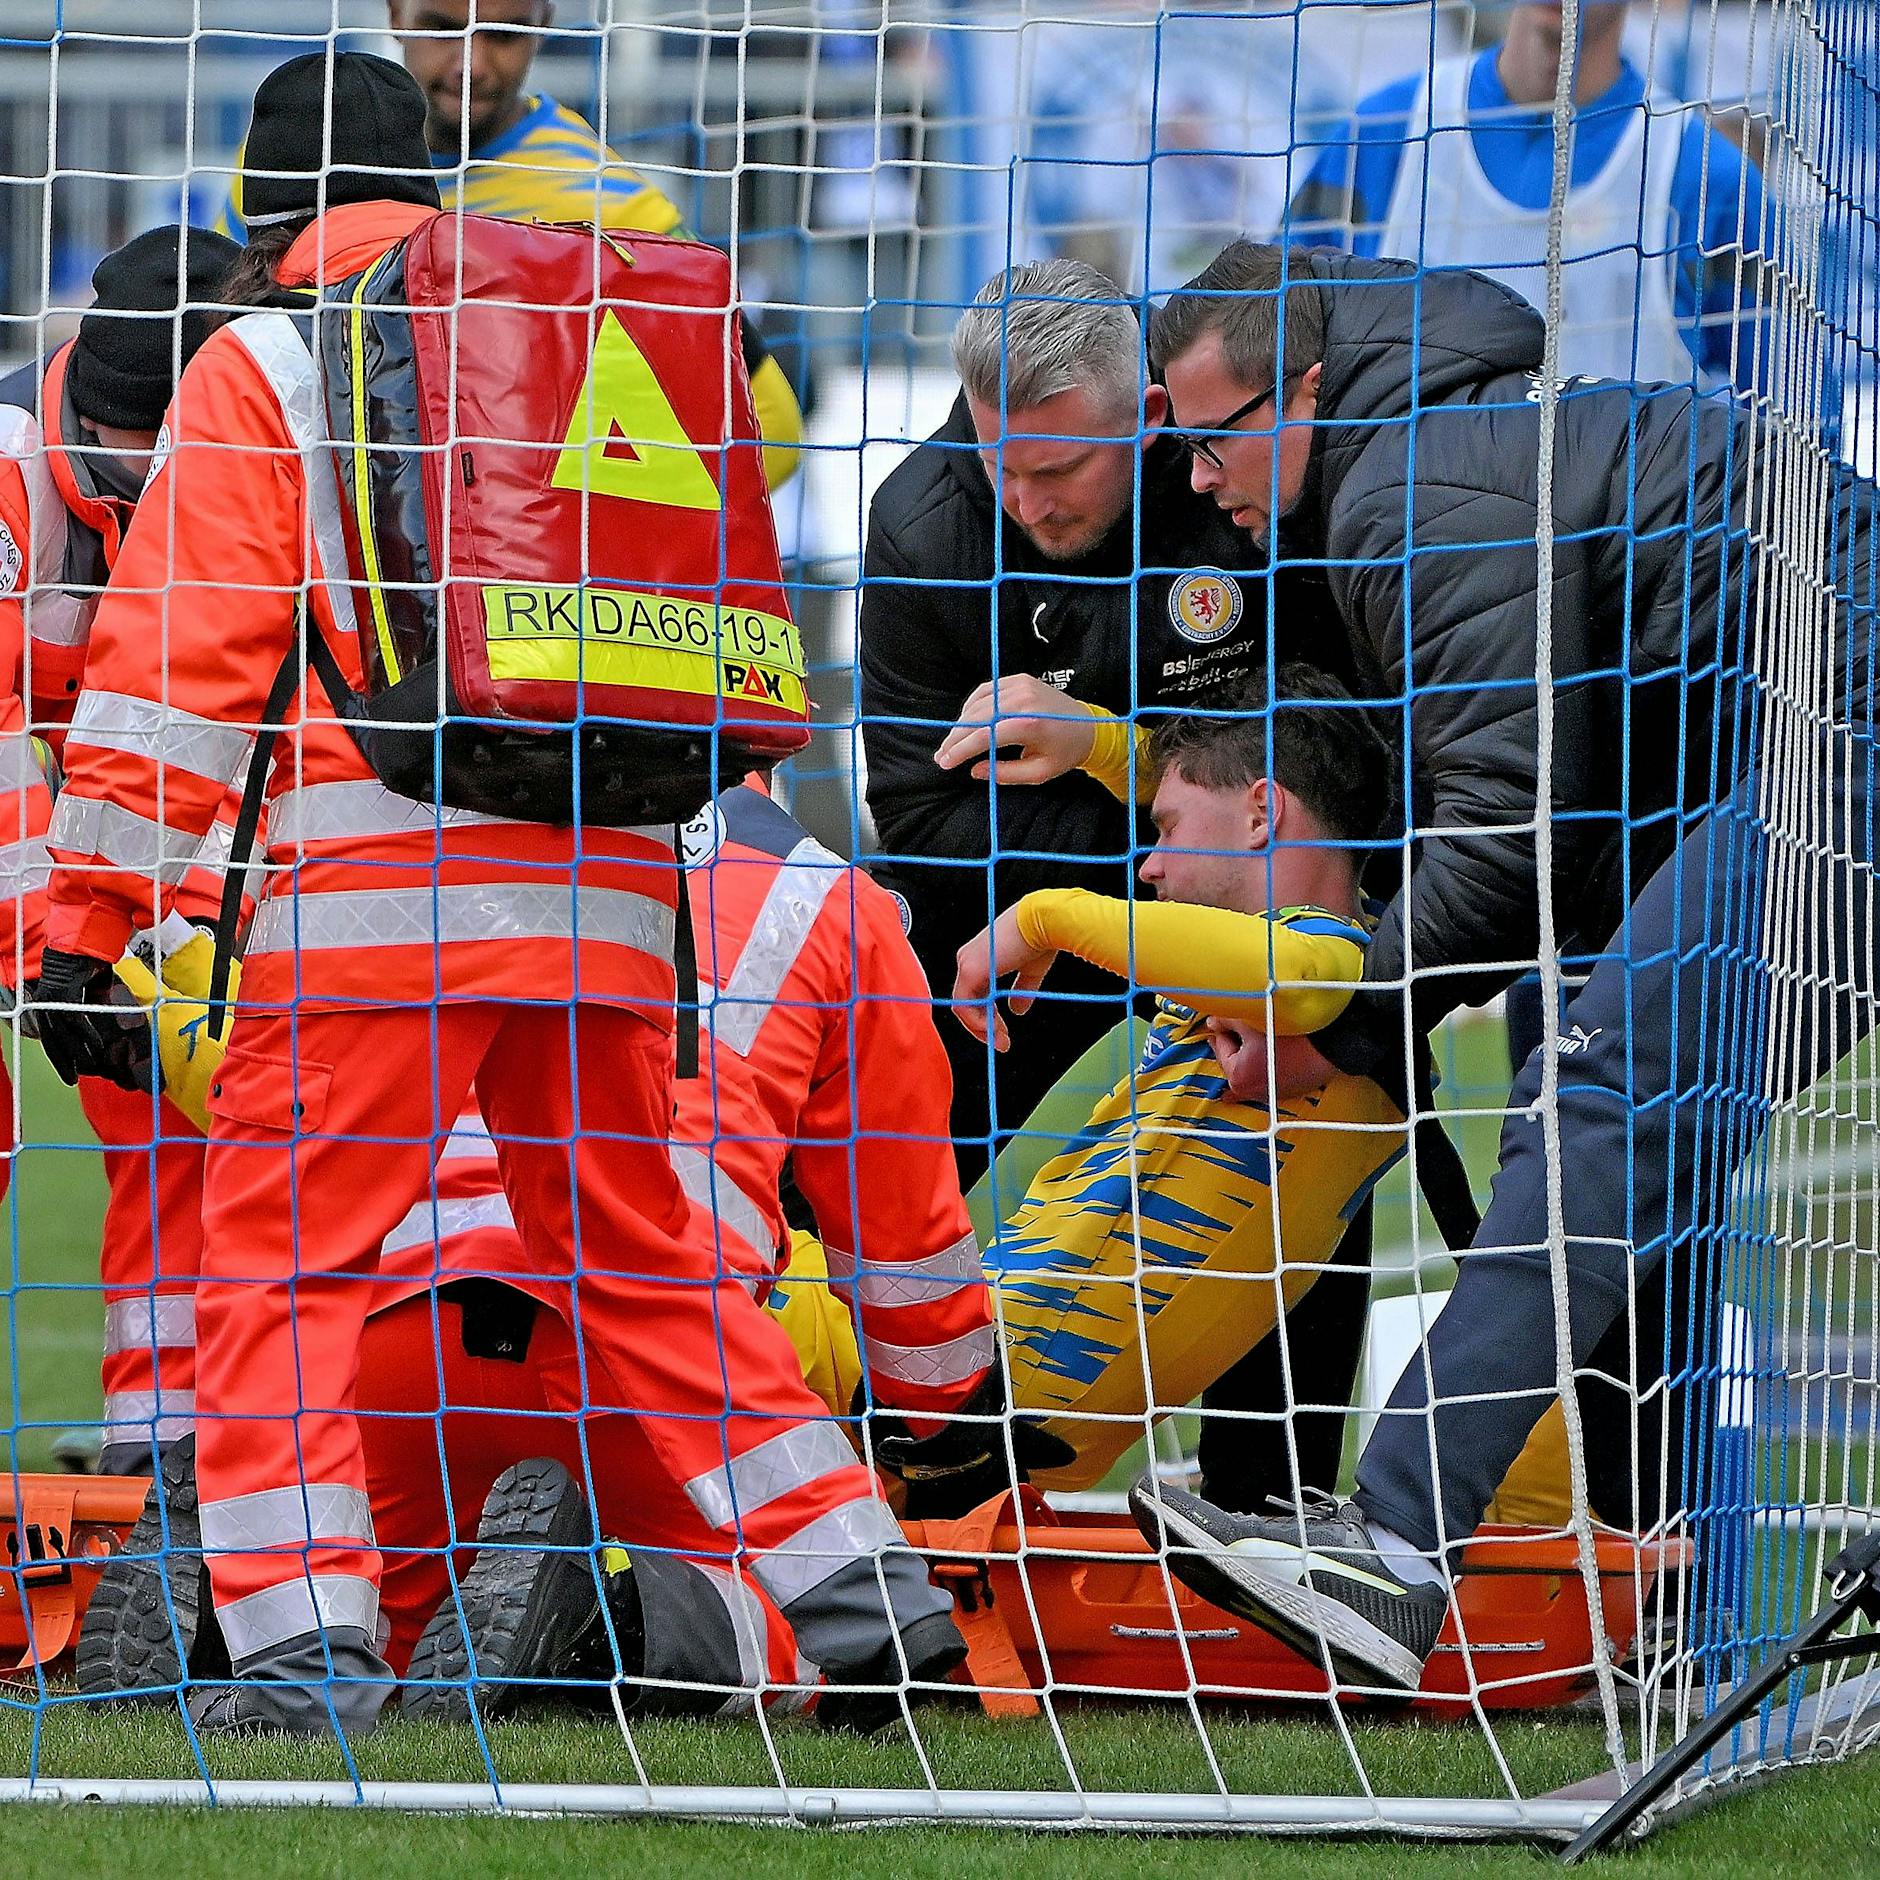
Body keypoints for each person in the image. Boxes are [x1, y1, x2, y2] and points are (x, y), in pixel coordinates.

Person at [37, 49, 957, 1738]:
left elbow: (182, 666)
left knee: (277, 1272)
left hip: (380, 908)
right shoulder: (542, 330)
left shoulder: (273, 355)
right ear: (429, 188)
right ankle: (867, 1595)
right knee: (646, 1264)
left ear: (259, 220)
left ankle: (306, 1651)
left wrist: (89, 915)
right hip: (618, 895)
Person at [1126, 239, 1876, 1694]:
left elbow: (1508, 836)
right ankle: (1644, 1597)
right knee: (1582, 1102)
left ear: (1309, 389)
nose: (1197, 478)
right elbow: (1569, 842)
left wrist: (1337, 1024)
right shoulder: (1440, 455)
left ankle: (1397, 1547)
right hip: (1778, 740)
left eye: (1213, 437)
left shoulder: (1401, 494)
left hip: (1842, 718)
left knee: (1600, 1100)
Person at [81, 773, 995, 1730]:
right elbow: (903, 1248)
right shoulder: (829, 899)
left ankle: (243, 1621)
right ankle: (615, 1610)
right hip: (653, 1364)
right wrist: (951, 1426)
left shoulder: (411, 818)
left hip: (391, 1345)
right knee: (776, 1633)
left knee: (388, 1623)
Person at [782, 673, 1406, 1512]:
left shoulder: (1331, 958)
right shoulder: (1277, 993)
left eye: (1166, 827)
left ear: (1264, 811)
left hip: (983, 1369)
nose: (1146, 865)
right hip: (978, 1349)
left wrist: (1047, 916)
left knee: (649, 1245)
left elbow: (1302, 981)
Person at [861, 257, 1336, 1183]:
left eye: (1062, 467)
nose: (1026, 503)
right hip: (1022, 967)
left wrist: (1100, 748)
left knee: (1278, 1277)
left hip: (1249, 937)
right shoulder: (921, 527)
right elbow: (924, 819)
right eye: (999, 465)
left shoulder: (1238, 469)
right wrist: (1163, 850)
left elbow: (1323, 741)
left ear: (1152, 418)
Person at [0, 224, 241, 1474]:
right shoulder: (8, 477)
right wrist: (60, 939)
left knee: (166, 1108)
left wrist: (175, 922)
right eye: (128, 444)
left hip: (128, 868)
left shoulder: (246, 473)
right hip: (46, 867)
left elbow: (228, 728)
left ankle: (168, 1449)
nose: (143, 471)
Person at [213, 0, 802, 488]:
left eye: (502, 34)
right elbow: (211, 345)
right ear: (395, 12)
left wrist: (590, 538)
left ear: (542, 20)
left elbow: (771, 427)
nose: (472, 63)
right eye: (441, 28)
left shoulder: (610, 203)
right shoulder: (293, 163)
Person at [1287, 0, 1767, 392]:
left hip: (1625, 509)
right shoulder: (1382, 134)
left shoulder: (1707, 180)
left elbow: (1790, 429)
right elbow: (1270, 343)